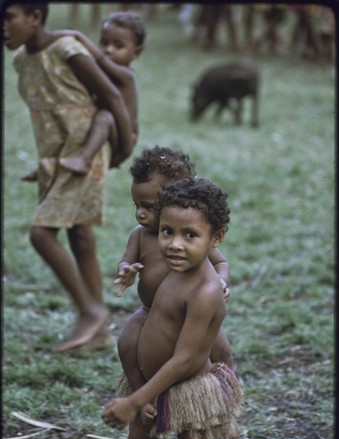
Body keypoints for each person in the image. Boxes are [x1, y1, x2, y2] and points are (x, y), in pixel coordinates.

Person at [4, 3, 134, 352]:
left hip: (85, 154)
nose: (3, 26)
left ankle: (89, 311)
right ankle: (100, 329)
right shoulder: (21, 60)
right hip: (55, 159)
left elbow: (111, 96)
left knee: (41, 234)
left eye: (8, 17)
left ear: (35, 17)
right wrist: (44, 163)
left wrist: (123, 147)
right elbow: (46, 116)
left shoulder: (67, 50)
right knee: (78, 232)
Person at [103, 177, 242, 439]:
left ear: (216, 237)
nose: (174, 244)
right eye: (168, 232)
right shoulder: (176, 268)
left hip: (187, 391)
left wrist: (133, 401)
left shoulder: (206, 291)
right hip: (148, 385)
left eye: (190, 235)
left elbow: (184, 359)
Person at [114, 146, 233, 400]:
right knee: (126, 343)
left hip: (193, 314)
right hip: (151, 313)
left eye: (148, 206)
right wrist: (126, 271)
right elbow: (125, 261)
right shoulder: (139, 235)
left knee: (222, 351)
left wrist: (221, 282)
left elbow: (221, 263)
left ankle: (225, 397)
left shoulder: (192, 240)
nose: (139, 213)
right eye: (136, 205)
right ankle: (141, 396)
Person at [22, 10, 146, 180]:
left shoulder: (125, 75)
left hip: (124, 137)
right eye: (104, 42)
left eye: (118, 46)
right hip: (105, 132)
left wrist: (79, 37)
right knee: (74, 126)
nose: (109, 50)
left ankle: (83, 160)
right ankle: (51, 168)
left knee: (104, 116)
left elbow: (102, 59)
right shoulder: (102, 71)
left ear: (136, 53)